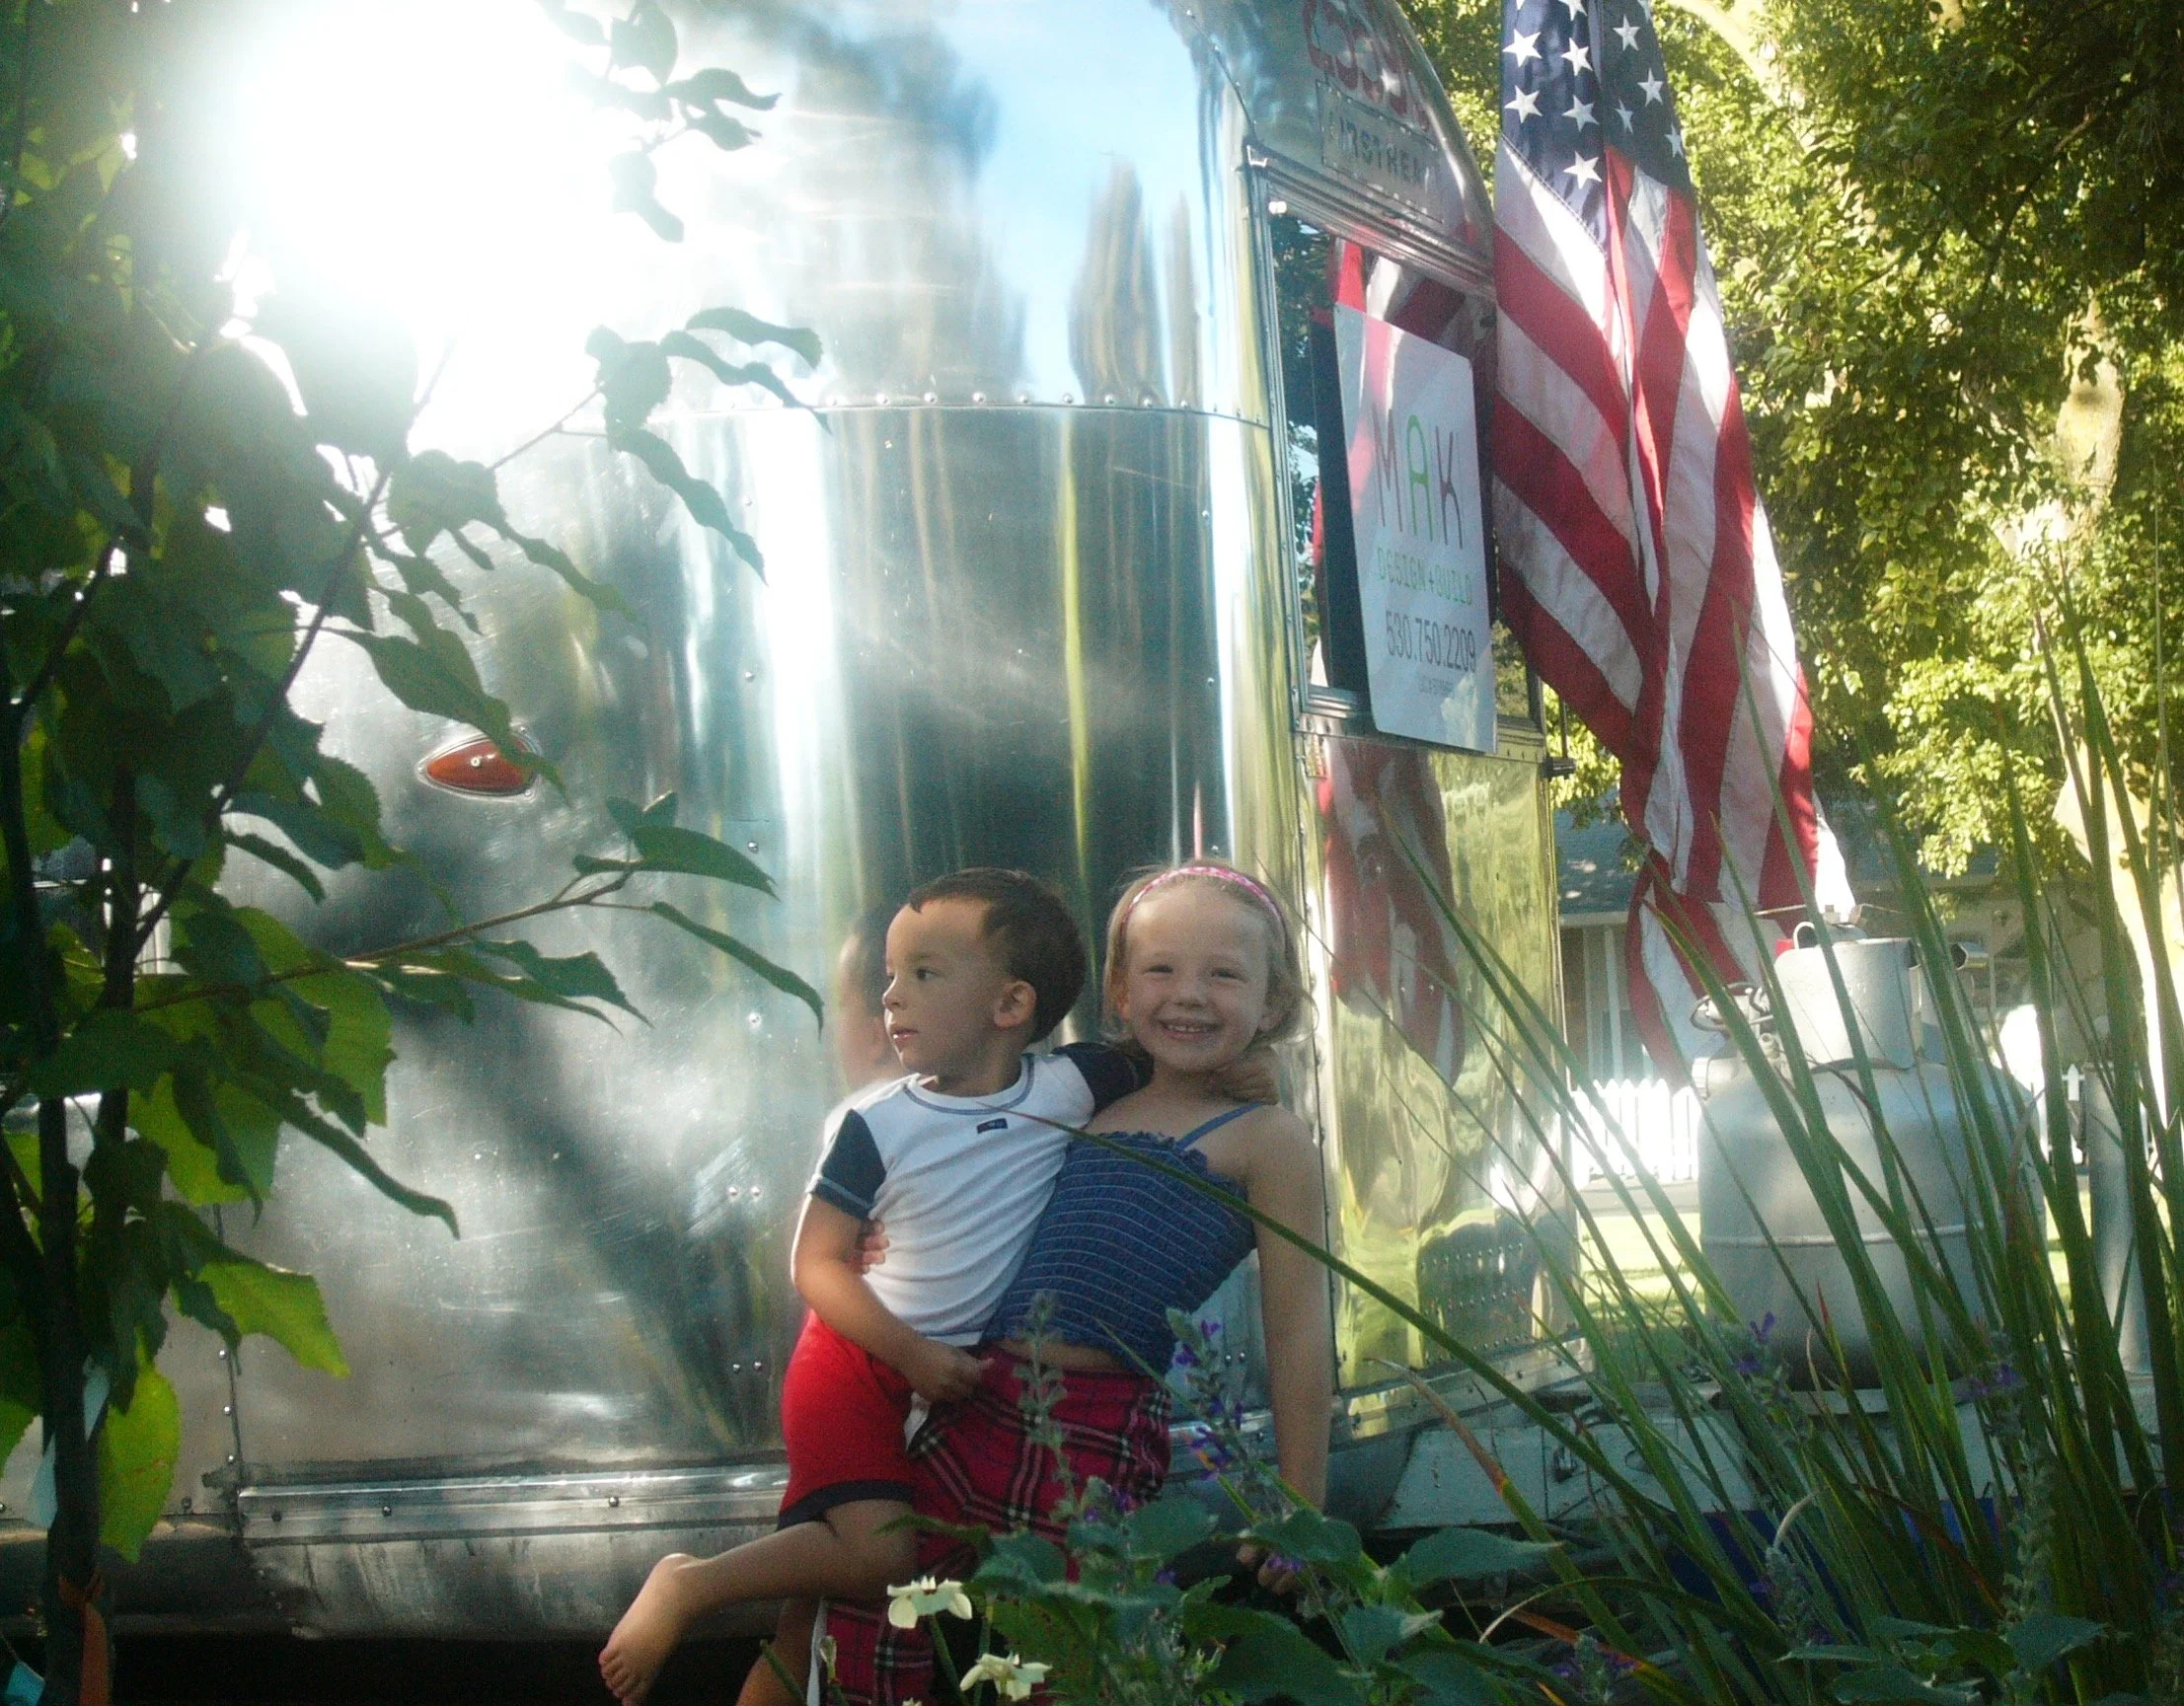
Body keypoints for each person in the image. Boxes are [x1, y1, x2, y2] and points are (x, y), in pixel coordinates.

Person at [598, 869, 1142, 1705]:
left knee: (813, 1607)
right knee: (881, 1559)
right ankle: (688, 1583)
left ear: (1010, 1006)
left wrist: (1248, 1081)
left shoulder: (1068, 1087)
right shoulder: (876, 1123)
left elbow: (1174, 1060)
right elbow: (813, 1263)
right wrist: (912, 1352)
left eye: (923, 974)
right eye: (888, 975)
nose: (891, 995)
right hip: (856, 1362)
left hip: (939, 1376)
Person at [816, 858, 1332, 1706]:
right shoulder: (1083, 1098)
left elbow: (1299, 1325)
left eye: (1223, 974)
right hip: (973, 1393)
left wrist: (1299, 1502)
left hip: (1093, 1424)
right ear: (1121, 991)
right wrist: (881, 1231)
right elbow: (961, 1168)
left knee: (1070, 1647)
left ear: (1271, 1003)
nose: (1188, 994)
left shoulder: (1265, 1138)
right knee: (880, 1606)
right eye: (1161, 969)